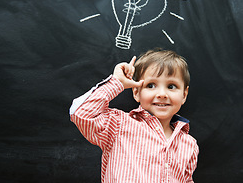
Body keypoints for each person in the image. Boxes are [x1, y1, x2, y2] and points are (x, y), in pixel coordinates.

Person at [69, 49, 199, 183]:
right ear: (136, 92)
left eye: (171, 86)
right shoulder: (118, 125)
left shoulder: (189, 144)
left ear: (184, 94)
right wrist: (116, 83)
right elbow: (80, 112)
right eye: (151, 85)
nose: (162, 94)